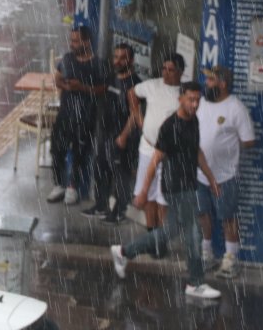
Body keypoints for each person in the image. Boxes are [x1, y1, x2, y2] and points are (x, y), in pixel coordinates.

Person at [109, 82, 222, 300]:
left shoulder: (194, 121)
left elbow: (196, 151)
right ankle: (195, 282)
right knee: (193, 234)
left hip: (188, 184)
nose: (194, 104)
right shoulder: (170, 126)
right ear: (180, 98)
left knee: (168, 232)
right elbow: (155, 160)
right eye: (190, 99)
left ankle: (123, 251)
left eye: (197, 100)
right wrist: (143, 192)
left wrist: (211, 178)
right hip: (175, 186)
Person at [195, 66, 255, 278]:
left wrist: (225, 147)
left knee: (227, 217)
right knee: (203, 214)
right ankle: (207, 253)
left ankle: (230, 259)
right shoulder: (200, 103)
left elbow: (248, 140)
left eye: (210, 80)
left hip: (225, 175)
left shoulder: (236, 108)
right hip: (200, 173)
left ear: (222, 83)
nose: (206, 84)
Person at [121, 53, 185, 229]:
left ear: (181, 72)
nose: (166, 73)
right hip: (148, 148)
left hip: (170, 153)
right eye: (164, 68)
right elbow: (131, 93)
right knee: (147, 195)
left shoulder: (183, 93)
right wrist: (137, 115)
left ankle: (161, 238)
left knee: (163, 197)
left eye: (171, 70)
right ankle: (151, 233)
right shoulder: (152, 85)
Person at [48, 25, 109, 206]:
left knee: (79, 153)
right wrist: (65, 86)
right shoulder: (67, 59)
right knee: (57, 149)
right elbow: (57, 77)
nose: (72, 44)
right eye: (71, 40)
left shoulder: (97, 64)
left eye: (76, 41)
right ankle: (59, 183)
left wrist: (83, 88)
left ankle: (72, 187)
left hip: (85, 116)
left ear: (86, 42)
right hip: (65, 114)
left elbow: (103, 88)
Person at [82, 43, 140, 222]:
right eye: (116, 57)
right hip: (106, 133)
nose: (118, 61)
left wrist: (124, 135)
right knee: (101, 168)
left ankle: (119, 211)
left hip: (123, 136)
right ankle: (101, 205)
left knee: (121, 173)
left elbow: (135, 112)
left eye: (122, 57)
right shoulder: (112, 78)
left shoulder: (135, 84)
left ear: (131, 60)